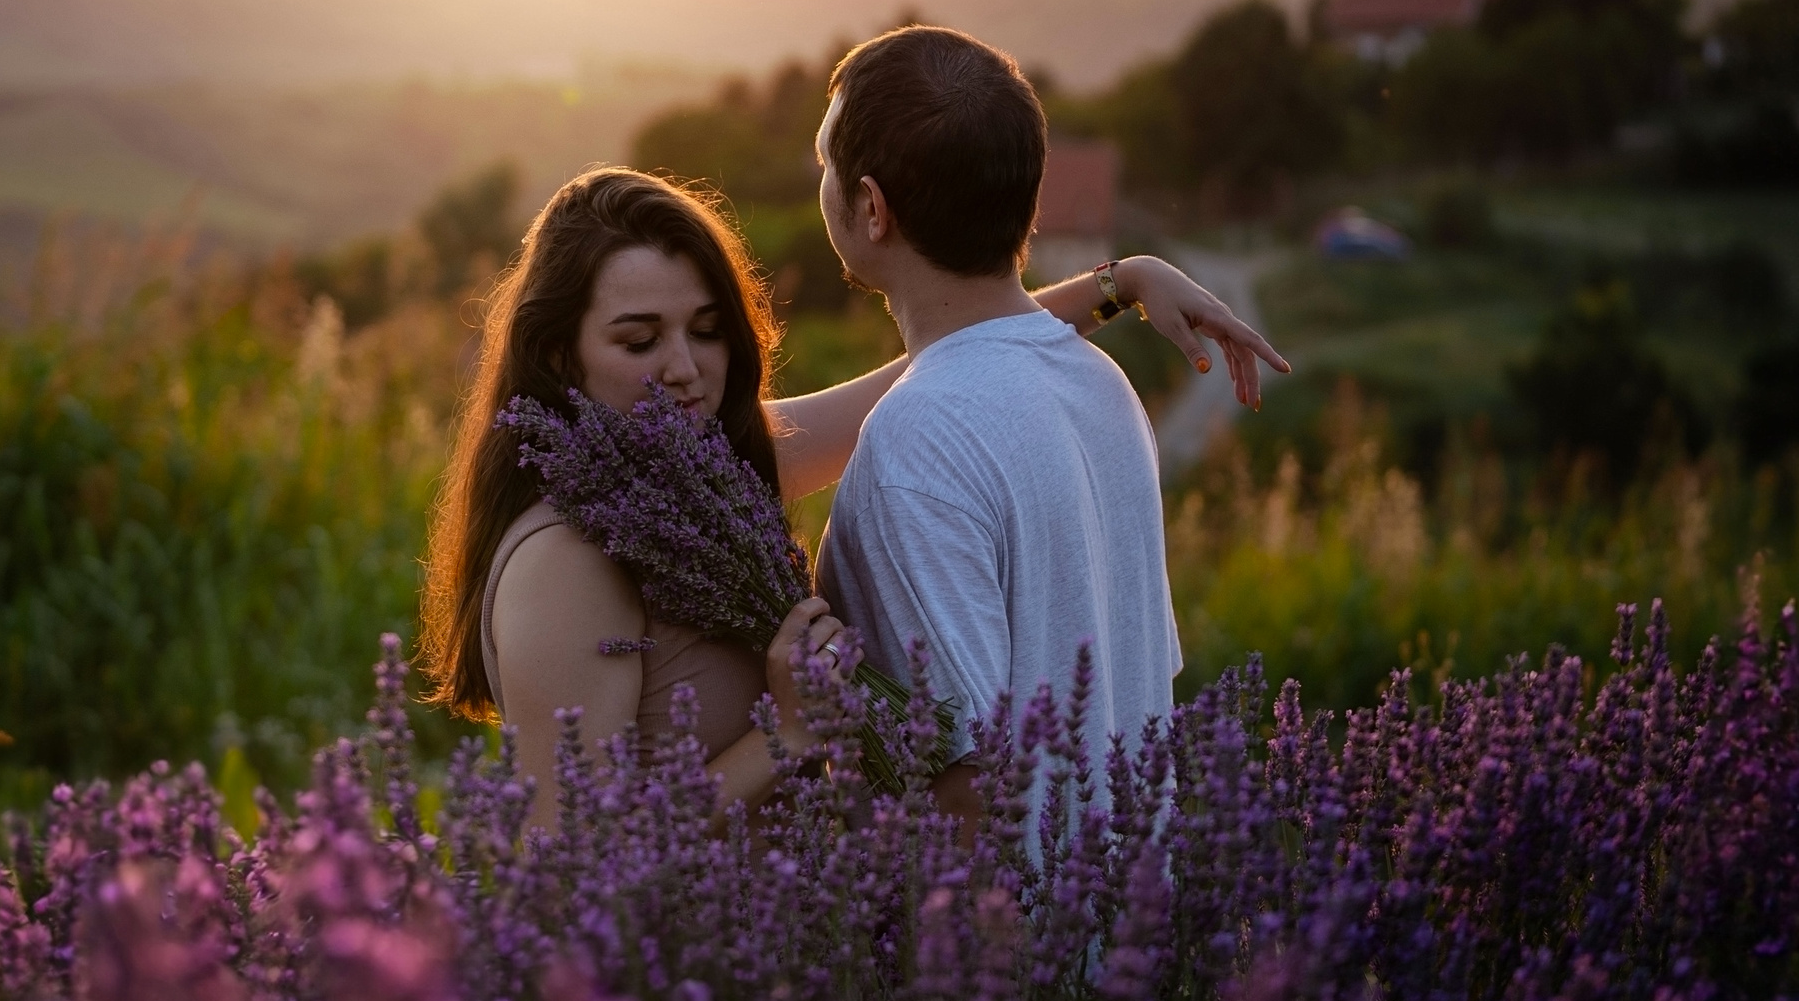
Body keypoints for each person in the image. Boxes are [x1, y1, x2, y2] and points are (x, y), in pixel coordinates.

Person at [417, 162, 1278, 833]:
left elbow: (931, 367)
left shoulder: (702, 475)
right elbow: (576, 861)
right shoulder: (566, 560)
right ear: (561, 356)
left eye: (707, 330)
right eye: (640, 339)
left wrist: (1117, 283)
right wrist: (789, 734)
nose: (684, 367)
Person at [808, 24, 1288, 833]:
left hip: (1009, 954)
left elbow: (962, 788)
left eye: (824, 163)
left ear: (870, 208)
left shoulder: (914, 442)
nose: (815, 179)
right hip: (1127, 929)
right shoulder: (1102, 386)